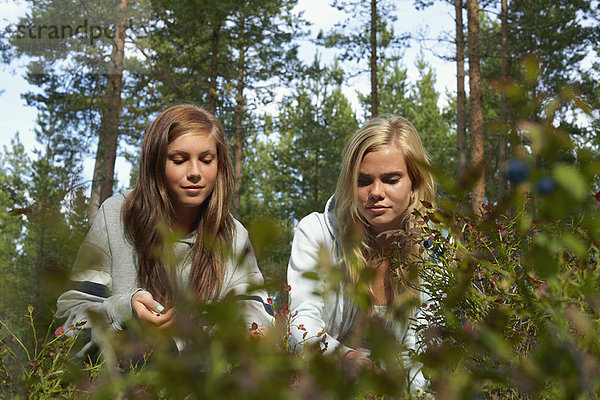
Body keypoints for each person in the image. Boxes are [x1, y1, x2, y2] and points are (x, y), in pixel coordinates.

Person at [57, 104, 273, 359]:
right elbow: (70, 316)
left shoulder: (234, 237)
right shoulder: (115, 216)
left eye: (206, 160)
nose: (195, 173)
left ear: (220, 164)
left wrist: (245, 333)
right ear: (155, 164)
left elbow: (256, 314)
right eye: (179, 160)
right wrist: (126, 311)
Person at [287, 115, 435, 389]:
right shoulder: (317, 233)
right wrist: (342, 359)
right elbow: (301, 323)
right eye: (364, 180)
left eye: (391, 179)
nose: (375, 192)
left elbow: (419, 351)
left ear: (414, 182)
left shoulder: (432, 249)